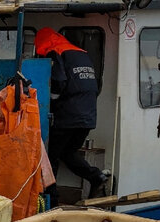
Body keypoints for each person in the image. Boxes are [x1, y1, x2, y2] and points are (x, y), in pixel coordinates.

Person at [35, 28, 110, 207]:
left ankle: (50, 200)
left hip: (67, 117)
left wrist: (48, 102)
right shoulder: (81, 54)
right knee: (68, 153)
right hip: (88, 117)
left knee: (50, 157)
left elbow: (59, 81)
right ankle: (97, 177)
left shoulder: (55, 51)